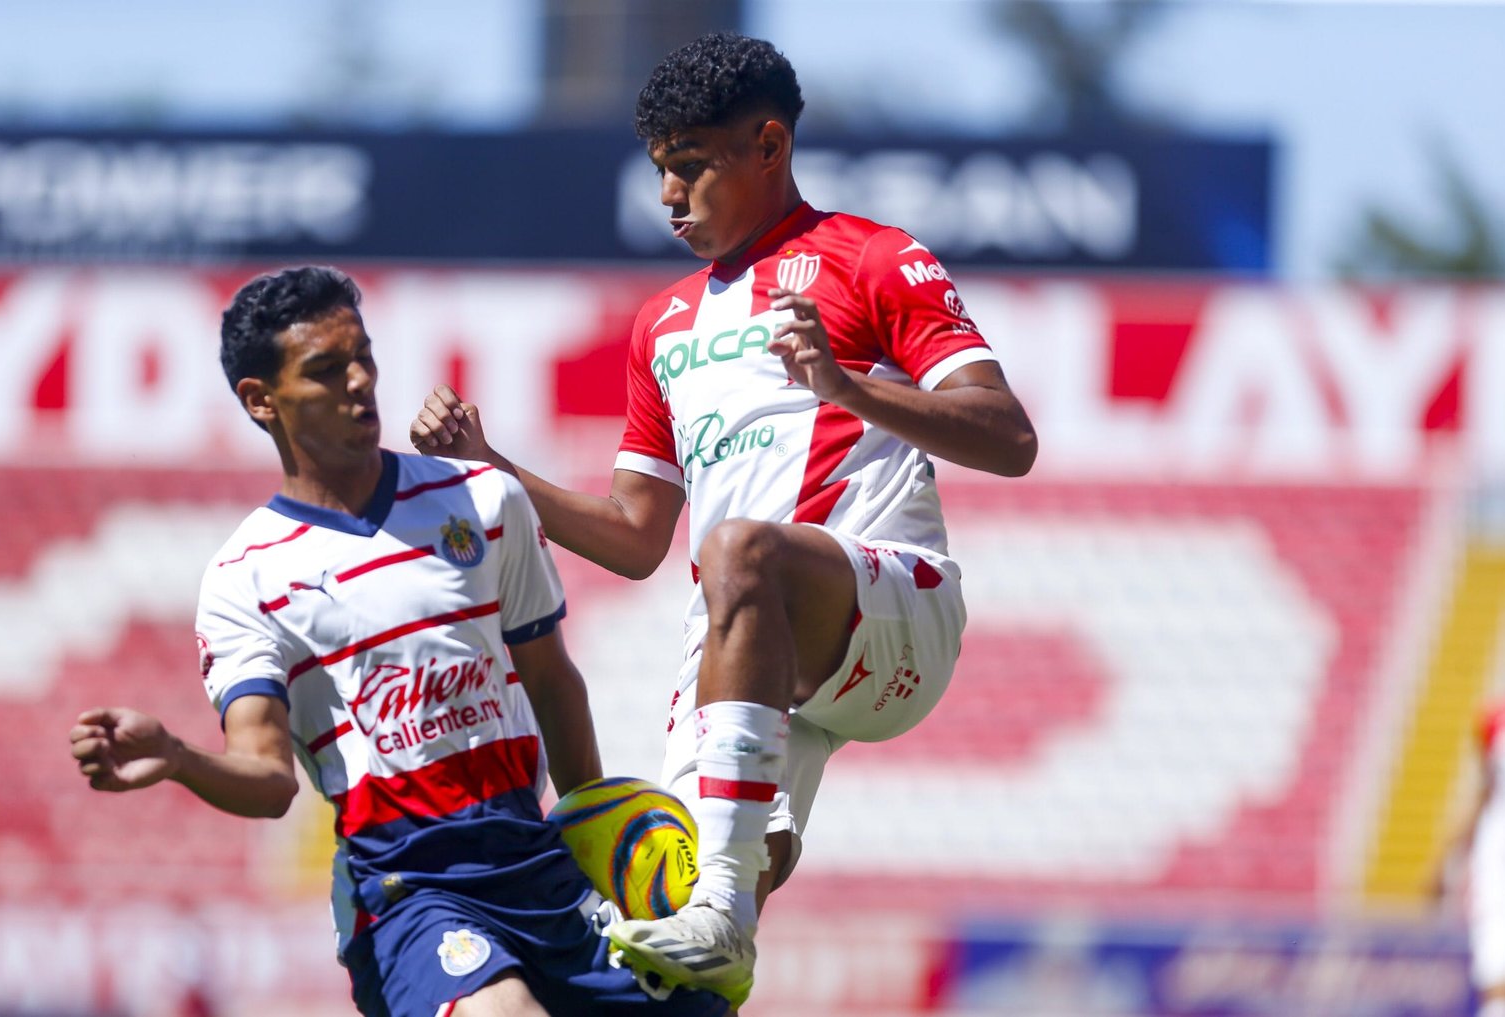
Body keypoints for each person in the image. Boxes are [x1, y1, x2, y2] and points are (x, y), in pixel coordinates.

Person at [410, 31, 1037, 1007]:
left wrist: (844, 386)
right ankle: (712, 940)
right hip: (742, 638)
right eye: (661, 171)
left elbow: (1007, 437)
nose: (668, 196)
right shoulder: (660, 325)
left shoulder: (875, 260)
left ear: (769, 147)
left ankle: (719, 911)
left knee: (737, 554)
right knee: (689, 920)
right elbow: (631, 535)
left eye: (692, 168)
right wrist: (495, 474)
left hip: (889, 605)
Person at [68, 266, 728, 1017]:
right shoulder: (245, 578)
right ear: (261, 401)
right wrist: (181, 760)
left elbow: (551, 681)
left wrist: (591, 824)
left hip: (531, 856)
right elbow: (269, 776)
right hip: (407, 886)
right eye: (325, 369)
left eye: (364, 356)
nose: (359, 382)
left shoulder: (480, 497)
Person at [1434, 695, 1505, 1017]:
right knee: (1497, 972)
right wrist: (1448, 856)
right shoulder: (1496, 717)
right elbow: (1486, 790)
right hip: (1500, 851)